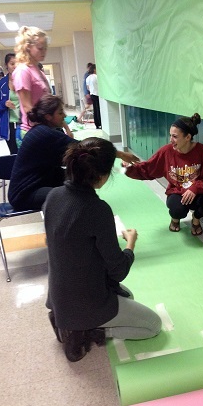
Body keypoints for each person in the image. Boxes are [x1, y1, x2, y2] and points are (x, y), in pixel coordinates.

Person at [44, 137, 161, 362]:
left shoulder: (52, 196)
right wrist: (130, 244)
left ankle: (71, 322)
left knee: (128, 296)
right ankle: (89, 331)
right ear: (103, 176)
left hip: (59, 295)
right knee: (152, 325)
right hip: (85, 300)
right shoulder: (97, 209)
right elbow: (118, 270)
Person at [8, 94, 140, 211]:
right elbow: (85, 147)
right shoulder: (44, 134)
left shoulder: (44, 131)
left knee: (79, 181)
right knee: (76, 195)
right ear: (48, 117)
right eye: (60, 113)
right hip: (25, 194)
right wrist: (121, 154)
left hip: (42, 180)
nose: (64, 116)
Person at [125, 113, 203, 235]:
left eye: (175, 136)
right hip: (177, 192)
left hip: (196, 193)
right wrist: (127, 169)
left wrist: (195, 188)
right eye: (170, 135)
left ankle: (196, 219)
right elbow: (148, 168)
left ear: (188, 137)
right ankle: (175, 219)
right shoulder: (166, 151)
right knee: (177, 209)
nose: (170, 140)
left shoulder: (201, 150)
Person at [13, 25, 73, 144]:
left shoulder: (38, 71)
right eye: (40, 48)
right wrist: (45, 129)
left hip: (46, 128)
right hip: (33, 131)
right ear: (28, 47)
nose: (44, 52)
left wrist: (66, 128)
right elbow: (27, 107)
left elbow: (51, 106)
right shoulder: (23, 71)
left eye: (45, 48)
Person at [0, 53, 20, 154]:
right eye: (12, 63)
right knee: (14, 154)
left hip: (25, 124)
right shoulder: (1, 84)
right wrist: (4, 103)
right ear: (6, 65)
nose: (15, 66)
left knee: (28, 154)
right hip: (10, 125)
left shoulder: (25, 81)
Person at [86, 63, 101, 129]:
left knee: (95, 109)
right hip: (97, 94)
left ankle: (97, 124)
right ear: (94, 69)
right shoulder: (96, 77)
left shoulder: (88, 78)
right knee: (99, 109)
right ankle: (100, 123)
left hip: (92, 94)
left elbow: (88, 88)